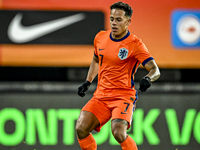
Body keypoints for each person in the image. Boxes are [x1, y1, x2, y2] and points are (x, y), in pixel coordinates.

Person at [76, 1, 160, 150]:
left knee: (118, 133)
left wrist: (148, 78)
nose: (114, 23)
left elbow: (155, 69)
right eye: (112, 19)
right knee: (81, 128)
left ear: (128, 21)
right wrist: (88, 82)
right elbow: (96, 59)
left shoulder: (135, 44)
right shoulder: (100, 37)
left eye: (119, 20)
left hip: (123, 96)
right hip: (101, 96)